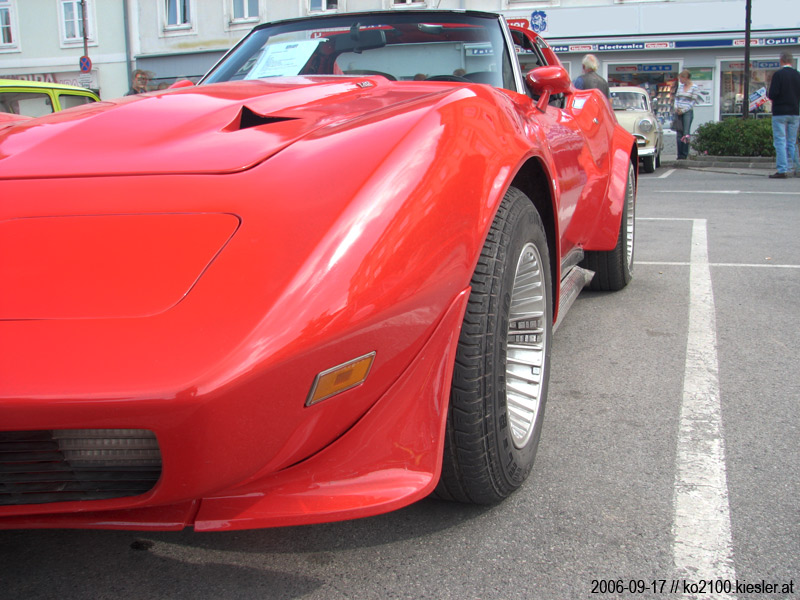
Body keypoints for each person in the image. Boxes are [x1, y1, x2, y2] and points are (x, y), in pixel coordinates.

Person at [766, 51, 800, 179]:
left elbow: (773, 94)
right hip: (795, 112)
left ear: (781, 60)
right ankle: (797, 167)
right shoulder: (797, 75)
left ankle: (782, 169)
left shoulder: (778, 75)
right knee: (792, 141)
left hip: (780, 112)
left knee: (780, 141)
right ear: (791, 61)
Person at [673, 70, 702, 160]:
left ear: (686, 78)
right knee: (679, 133)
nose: (680, 80)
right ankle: (679, 154)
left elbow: (693, 101)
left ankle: (684, 154)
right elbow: (676, 98)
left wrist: (684, 110)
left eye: (681, 78)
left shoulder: (694, 88)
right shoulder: (681, 87)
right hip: (679, 111)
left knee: (685, 133)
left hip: (687, 112)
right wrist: (676, 108)